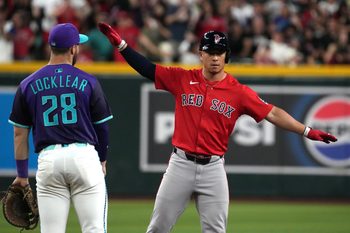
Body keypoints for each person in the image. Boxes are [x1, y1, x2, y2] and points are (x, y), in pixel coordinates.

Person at [98, 22, 337, 233]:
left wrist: (306, 131)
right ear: (200, 54)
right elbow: (147, 69)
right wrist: (122, 46)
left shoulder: (239, 92)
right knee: (158, 228)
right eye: (210, 52)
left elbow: (272, 112)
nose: (215, 57)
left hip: (213, 169)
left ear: (226, 56)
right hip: (180, 165)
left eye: (219, 52)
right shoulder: (182, 79)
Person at [8, 23, 113, 233]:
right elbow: (102, 127)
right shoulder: (88, 81)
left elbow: (20, 133)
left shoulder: (27, 84)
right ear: (74, 49)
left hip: (49, 161)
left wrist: (21, 175)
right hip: (83, 158)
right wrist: (101, 158)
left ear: (50, 47)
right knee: (94, 229)